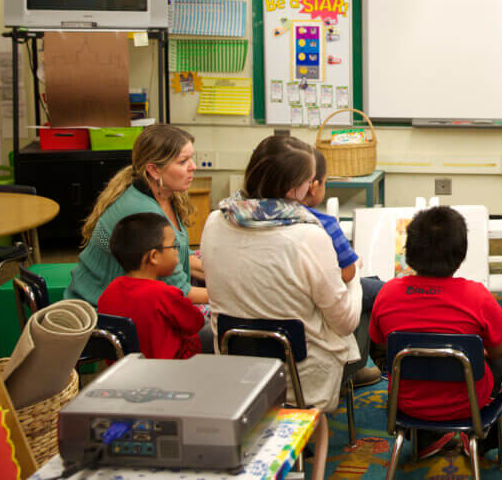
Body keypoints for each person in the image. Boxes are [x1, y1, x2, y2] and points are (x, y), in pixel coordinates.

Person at [201, 135, 362, 480]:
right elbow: (345, 321)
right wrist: (355, 280)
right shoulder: (309, 236)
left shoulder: (215, 222)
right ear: (292, 189)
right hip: (301, 379)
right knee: (356, 313)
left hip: (238, 371)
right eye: (307, 182)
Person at [369, 206, 502, 460]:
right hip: (466, 404)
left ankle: (425, 437)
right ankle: (484, 439)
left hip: (406, 403)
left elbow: (379, 344)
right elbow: (500, 348)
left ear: (408, 252)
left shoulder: (387, 293)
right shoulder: (477, 296)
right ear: (461, 254)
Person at [67, 124, 207, 307]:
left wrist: (219, 274)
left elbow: (180, 253)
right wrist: (235, 293)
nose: (193, 167)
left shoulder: (164, 194)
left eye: (192, 159)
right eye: (183, 161)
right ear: (154, 170)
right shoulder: (142, 213)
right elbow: (179, 292)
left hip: (135, 301)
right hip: (103, 311)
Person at [300, 148, 383, 386]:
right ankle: (352, 369)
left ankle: (369, 359)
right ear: (314, 186)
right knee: (379, 291)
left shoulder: (225, 219)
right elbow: (348, 272)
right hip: (311, 316)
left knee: (372, 284)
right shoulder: (322, 224)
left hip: (253, 335)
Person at [98, 212, 205, 360]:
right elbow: (196, 322)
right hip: (169, 372)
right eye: (174, 246)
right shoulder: (165, 294)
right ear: (154, 256)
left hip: (123, 371)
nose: (177, 252)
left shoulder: (110, 290)